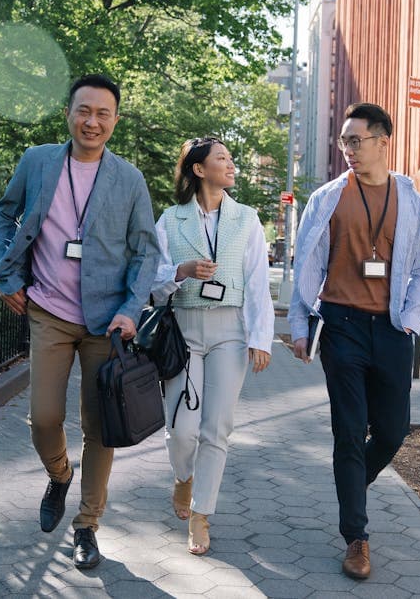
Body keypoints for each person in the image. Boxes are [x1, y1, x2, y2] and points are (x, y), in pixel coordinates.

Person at [0, 74, 159, 570]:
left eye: (103, 113)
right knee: (44, 418)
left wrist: (131, 309)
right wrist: (5, 275)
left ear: (115, 121)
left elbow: (146, 250)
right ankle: (59, 474)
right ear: (68, 112)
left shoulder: (128, 179)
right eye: (84, 110)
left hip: (107, 323)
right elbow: (3, 215)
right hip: (48, 310)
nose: (92, 121)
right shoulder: (38, 161)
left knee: (100, 427)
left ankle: (87, 525)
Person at [288, 103, 420, 580]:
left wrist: (410, 318)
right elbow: (306, 265)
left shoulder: (412, 201)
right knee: (349, 433)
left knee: (393, 431)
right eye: (344, 142)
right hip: (342, 326)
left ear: (382, 141)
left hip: (392, 328)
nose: (349, 150)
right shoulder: (328, 197)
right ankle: (356, 536)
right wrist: (298, 325)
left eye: (356, 140)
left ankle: (352, 480)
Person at [151, 137, 273, 556]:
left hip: (230, 333)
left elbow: (258, 283)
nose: (231, 164)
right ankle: (183, 477)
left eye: (232, 158)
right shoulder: (169, 219)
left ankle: (201, 514)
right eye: (222, 158)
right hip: (183, 330)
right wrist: (182, 271)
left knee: (216, 427)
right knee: (182, 429)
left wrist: (261, 338)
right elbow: (152, 282)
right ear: (199, 170)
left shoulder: (247, 219)